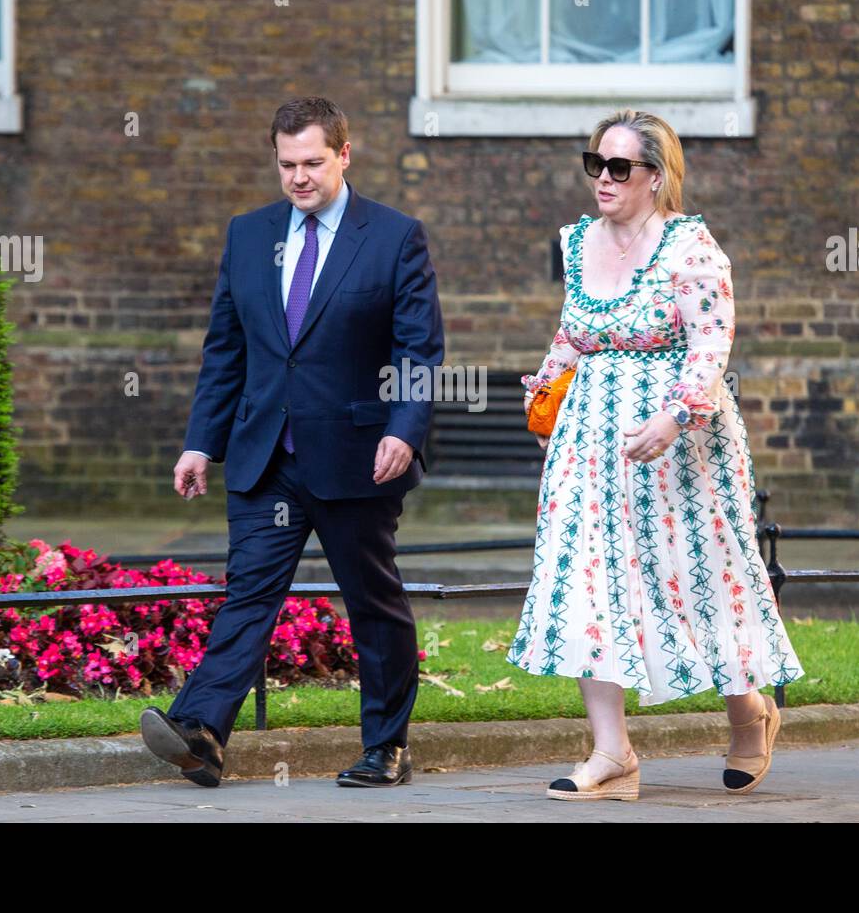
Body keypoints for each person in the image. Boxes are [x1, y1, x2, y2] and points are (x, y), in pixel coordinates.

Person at [140, 96, 445, 788]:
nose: (299, 177)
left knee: (372, 600)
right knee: (250, 592)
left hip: (357, 456)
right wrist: (200, 443)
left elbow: (419, 349)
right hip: (263, 453)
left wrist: (404, 429)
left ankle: (387, 745)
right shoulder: (248, 235)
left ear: (344, 154)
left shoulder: (395, 237)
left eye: (312, 162)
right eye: (286, 165)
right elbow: (227, 350)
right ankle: (202, 732)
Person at [510, 109, 805, 801]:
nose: (603, 179)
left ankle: (748, 714)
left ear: (657, 176)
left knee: (699, 577)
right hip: (589, 439)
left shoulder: (690, 248)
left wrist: (675, 416)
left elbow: (710, 344)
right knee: (588, 578)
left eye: (620, 168)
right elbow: (574, 334)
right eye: (595, 165)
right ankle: (612, 754)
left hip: (678, 441)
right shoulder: (578, 242)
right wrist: (547, 387)